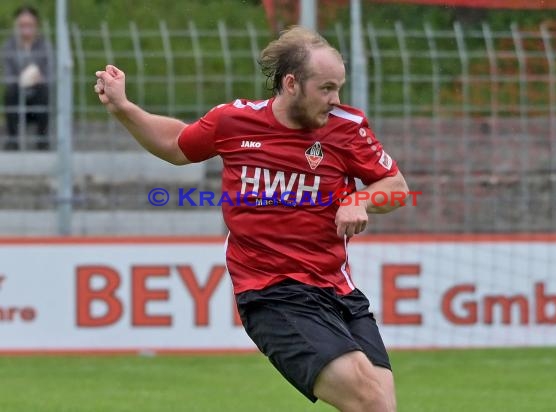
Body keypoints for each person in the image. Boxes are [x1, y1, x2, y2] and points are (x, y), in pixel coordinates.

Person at [95, 26, 408, 412]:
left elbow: (396, 185)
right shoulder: (234, 122)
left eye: (339, 87)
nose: (335, 99)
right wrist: (125, 109)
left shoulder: (347, 127)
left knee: (382, 405)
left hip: (338, 292)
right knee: (371, 401)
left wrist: (360, 199)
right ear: (291, 83)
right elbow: (177, 145)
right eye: (326, 88)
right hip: (272, 293)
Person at [2, 6, 52, 151]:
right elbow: (8, 74)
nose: (26, 29)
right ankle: (12, 141)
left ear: (36, 26)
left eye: (29, 25)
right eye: (22, 25)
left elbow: (50, 74)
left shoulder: (44, 45)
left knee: (44, 92)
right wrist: (24, 78)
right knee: (9, 93)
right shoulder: (9, 46)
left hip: (38, 92)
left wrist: (37, 78)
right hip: (17, 91)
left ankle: (43, 142)